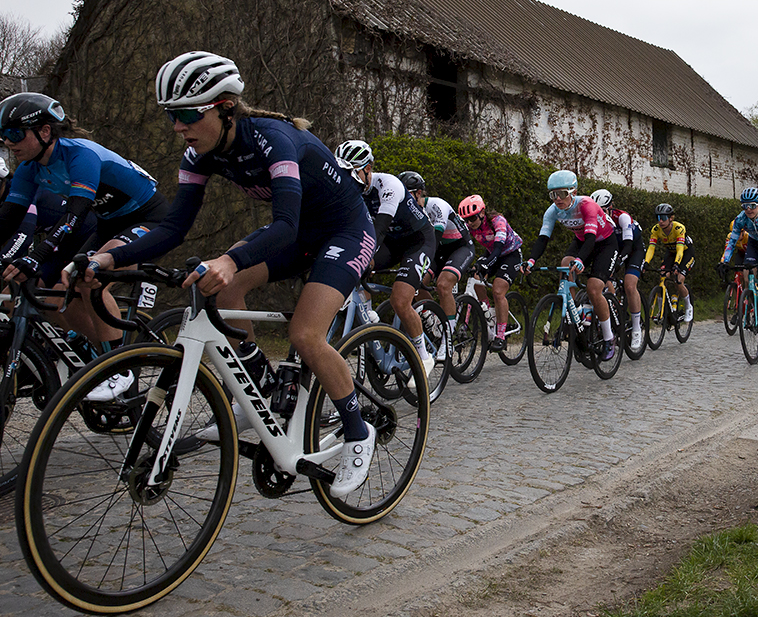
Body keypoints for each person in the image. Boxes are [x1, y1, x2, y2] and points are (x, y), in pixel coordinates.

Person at [85, 51, 378, 498]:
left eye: (186, 115)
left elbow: (285, 225)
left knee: (304, 334)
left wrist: (230, 260)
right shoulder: (199, 154)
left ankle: (358, 433)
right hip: (297, 233)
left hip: (343, 229)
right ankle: (257, 385)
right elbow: (173, 228)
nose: (178, 127)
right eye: (171, 116)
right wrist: (109, 259)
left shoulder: (275, 140)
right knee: (224, 287)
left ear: (223, 107)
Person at [0, 91, 169, 401]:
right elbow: (7, 219)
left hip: (151, 218)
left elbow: (75, 214)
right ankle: (99, 356)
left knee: (93, 277)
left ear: (45, 131)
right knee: (62, 287)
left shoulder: (80, 154)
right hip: (111, 223)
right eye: (3, 136)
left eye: (14, 133)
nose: (8, 142)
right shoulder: (28, 170)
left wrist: (36, 256)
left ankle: (120, 368)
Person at [334, 140, 437, 380]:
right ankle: (370, 318)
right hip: (392, 242)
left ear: (368, 168)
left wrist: (365, 254)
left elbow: (378, 229)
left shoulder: (389, 184)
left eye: (352, 172)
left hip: (418, 241)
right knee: (351, 267)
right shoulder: (352, 191)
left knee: (400, 300)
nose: (348, 179)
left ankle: (423, 356)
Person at [522, 170, 619, 361]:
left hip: (605, 242)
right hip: (583, 239)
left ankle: (609, 338)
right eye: (553, 194)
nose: (557, 199)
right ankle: (572, 312)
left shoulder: (587, 205)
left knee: (593, 288)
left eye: (562, 194)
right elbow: (543, 239)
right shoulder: (552, 211)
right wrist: (531, 261)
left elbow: (591, 238)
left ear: (573, 192)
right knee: (565, 264)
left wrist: (581, 260)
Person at [401, 171, 474, 360]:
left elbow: (435, 238)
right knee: (414, 283)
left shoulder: (437, 205)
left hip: (460, 247)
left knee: (443, 285)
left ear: (419, 193)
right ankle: (435, 318)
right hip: (437, 251)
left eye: (408, 195)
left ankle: (447, 340)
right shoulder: (408, 213)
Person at [457, 193, 523, 352]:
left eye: (472, 218)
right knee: (475, 278)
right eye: (466, 220)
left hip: (510, 254)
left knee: (498, 290)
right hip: (492, 252)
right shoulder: (469, 227)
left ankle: (500, 336)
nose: (469, 223)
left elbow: (499, 248)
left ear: (482, 213)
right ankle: (489, 313)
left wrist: (486, 264)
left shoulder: (497, 221)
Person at [719, 187, 758, 334]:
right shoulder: (740, 219)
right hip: (754, 244)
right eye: (745, 206)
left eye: (752, 205)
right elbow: (732, 242)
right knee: (747, 276)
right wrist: (724, 261)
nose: (749, 209)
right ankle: (755, 304)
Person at [590, 188, 645, 352]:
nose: (600, 213)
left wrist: (619, 261)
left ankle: (636, 328)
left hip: (633, 248)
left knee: (629, 285)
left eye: (603, 209)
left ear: (611, 206)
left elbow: (628, 245)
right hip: (613, 248)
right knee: (604, 281)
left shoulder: (622, 217)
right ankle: (613, 308)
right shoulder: (596, 219)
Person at [643, 203, 695, 323]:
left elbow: (680, 249)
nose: (660, 221)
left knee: (679, 279)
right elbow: (651, 248)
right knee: (663, 276)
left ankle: (688, 307)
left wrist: (677, 264)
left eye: (664, 218)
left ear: (671, 218)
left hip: (685, 252)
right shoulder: (656, 230)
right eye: (658, 218)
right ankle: (662, 311)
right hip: (671, 253)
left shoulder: (679, 228)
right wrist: (646, 262)